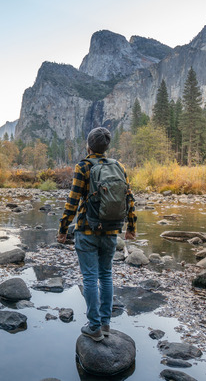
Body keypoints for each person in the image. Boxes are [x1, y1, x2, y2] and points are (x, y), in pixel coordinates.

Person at [57, 127, 136, 342]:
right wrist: (131, 228)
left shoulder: (83, 166)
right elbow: (129, 198)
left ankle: (94, 327)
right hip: (111, 231)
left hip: (87, 230)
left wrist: (63, 229)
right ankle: (106, 323)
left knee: (90, 278)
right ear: (107, 147)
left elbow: (73, 201)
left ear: (89, 146)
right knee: (106, 275)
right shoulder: (119, 166)